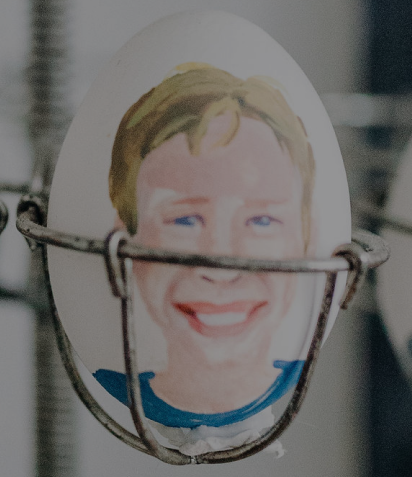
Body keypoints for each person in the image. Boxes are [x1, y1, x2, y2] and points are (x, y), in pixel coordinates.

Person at [92, 64, 318, 446]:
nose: (222, 268)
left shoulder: (297, 371)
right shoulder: (113, 377)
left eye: (262, 220)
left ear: (305, 237)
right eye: (184, 219)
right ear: (123, 236)